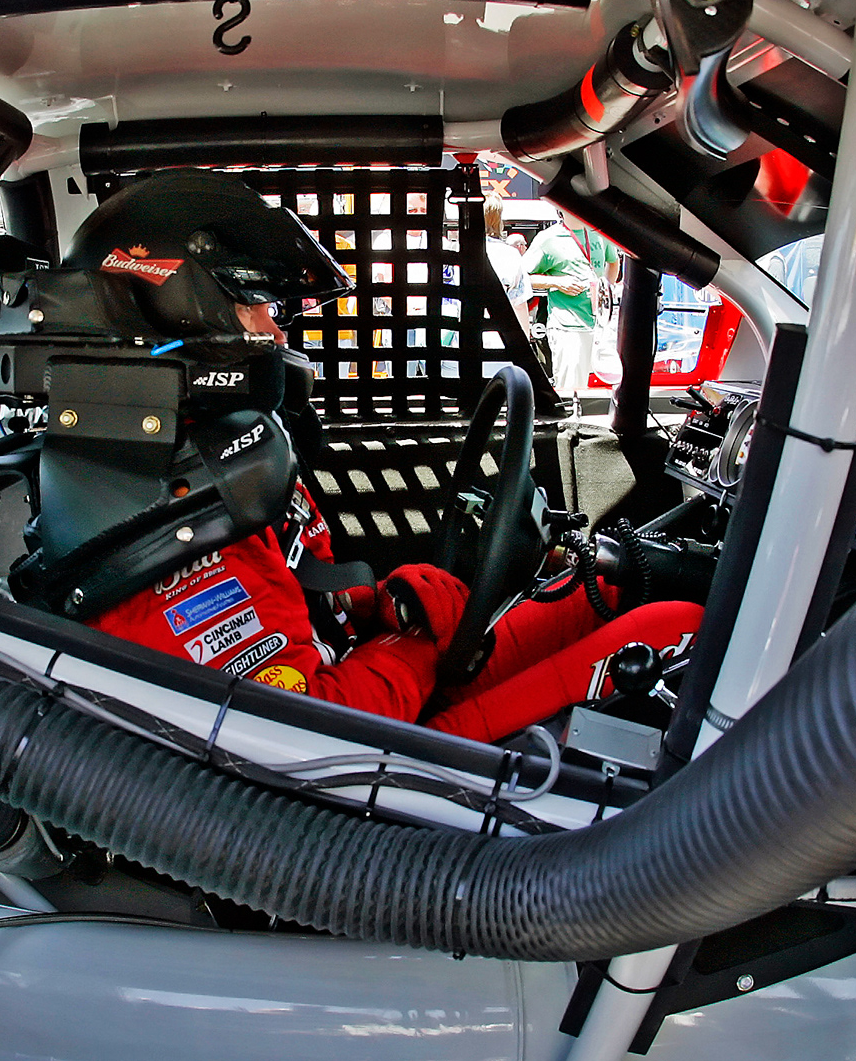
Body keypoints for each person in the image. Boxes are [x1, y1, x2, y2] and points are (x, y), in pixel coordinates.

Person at [61, 171, 703, 744]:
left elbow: (303, 599)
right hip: (370, 760)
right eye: (257, 305)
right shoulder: (162, 504)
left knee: (615, 588)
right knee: (676, 623)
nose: (279, 332)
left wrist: (387, 605)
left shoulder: (227, 463)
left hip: (374, 688)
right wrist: (415, 646)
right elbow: (298, 735)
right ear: (177, 305)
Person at [524, 212, 619, 412]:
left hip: (602, 328)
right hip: (569, 329)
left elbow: (614, 261)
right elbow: (523, 277)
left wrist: (605, 291)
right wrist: (557, 282)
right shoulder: (548, 239)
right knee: (571, 395)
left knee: (605, 394)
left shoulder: (599, 232)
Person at [482, 197, 532, 335]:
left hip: (459, 339)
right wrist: (525, 341)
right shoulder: (510, 254)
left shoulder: (455, 250)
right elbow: (519, 304)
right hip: (498, 337)